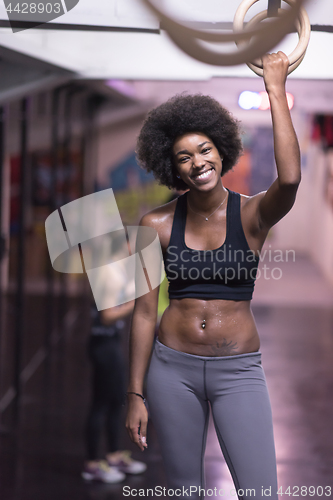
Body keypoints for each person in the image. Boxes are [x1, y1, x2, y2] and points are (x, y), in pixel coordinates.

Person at [126, 52, 301, 499]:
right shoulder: (155, 225)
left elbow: (292, 179)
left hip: (238, 370)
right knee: (185, 490)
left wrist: (275, 91)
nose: (197, 162)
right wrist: (135, 393)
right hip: (172, 370)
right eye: (184, 157)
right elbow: (145, 313)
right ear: (173, 167)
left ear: (222, 152)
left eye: (204, 150)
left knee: (260, 491)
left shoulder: (253, 214)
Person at [82, 232, 147, 483]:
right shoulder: (107, 273)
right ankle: (91, 464)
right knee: (101, 404)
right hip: (103, 347)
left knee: (113, 401)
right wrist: (138, 303)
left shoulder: (113, 271)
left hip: (109, 344)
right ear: (124, 245)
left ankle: (113, 456)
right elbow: (108, 316)